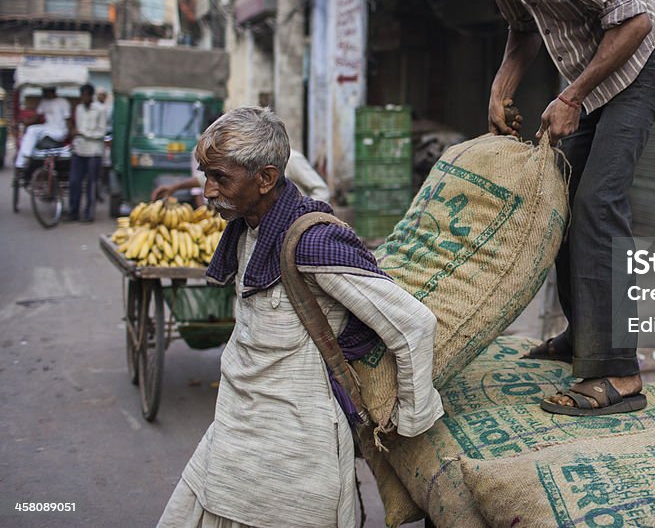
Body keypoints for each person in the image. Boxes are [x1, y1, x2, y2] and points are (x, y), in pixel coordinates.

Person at [434, 0, 655, 416]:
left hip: (643, 69)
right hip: (595, 84)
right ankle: (582, 337)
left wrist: (570, 96)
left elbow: (636, 23)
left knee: (598, 206)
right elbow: (521, 30)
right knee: (561, 207)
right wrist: (500, 89)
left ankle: (619, 375)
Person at [158, 107, 442, 527]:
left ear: (266, 178)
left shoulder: (312, 242)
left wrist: (411, 420)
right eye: (206, 175)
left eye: (220, 178)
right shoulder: (245, 228)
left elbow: (412, 323)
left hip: (294, 445)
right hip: (235, 421)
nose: (207, 191)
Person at [152, 147, 332, 205]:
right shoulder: (247, 158)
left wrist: (302, 215)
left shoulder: (291, 159)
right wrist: (175, 187)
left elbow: (321, 190)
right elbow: (220, 177)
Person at [66, 84, 108, 222]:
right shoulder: (78, 109)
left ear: (91, 96)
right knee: (74, 182)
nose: (84, 98)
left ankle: (89, 214)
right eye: (82, 95)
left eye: (86, 95)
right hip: (79, 150)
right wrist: (75, 133)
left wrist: (83, 133)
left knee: (91, 183)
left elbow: (101, 132)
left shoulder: (100, 110)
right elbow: (76, 128)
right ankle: (73, 212)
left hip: (93, 152)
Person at [14, 86, 71, 171]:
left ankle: (26, 158)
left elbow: (68, 120)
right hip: (47, 128)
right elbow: (37, 117)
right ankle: (23, 160)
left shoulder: (63, 102)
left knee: (40, 133)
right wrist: (24, 121)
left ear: (51, 91)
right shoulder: (44, 101)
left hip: (59, 131)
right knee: (31, 129)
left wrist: (68, 133)